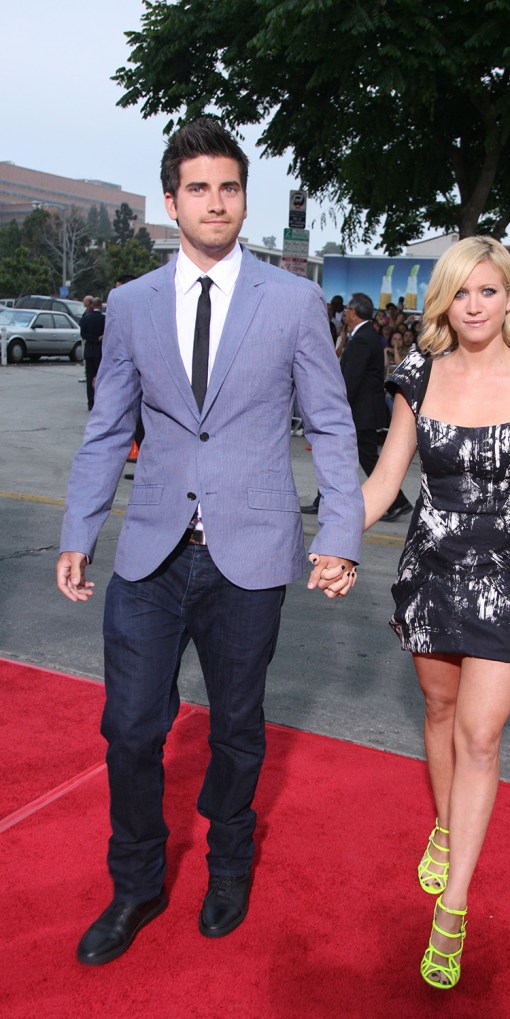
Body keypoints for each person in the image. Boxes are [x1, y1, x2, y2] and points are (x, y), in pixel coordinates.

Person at [56, 118, 363, 967]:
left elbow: (332, 426)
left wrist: (339, 531)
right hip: (151, 549)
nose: (215, 202)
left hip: (252, 553)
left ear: (243, 198)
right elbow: (107, 425)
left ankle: (229, 863)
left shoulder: (294, 302)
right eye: (199, 187)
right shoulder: (129, 304)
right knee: (129, 728)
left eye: (229, 187)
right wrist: (78, 527)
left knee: (236, 727)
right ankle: (138, 882)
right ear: (172, 201)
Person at [361, 236, 510, 990]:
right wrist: (330, 539)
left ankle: (451, 910)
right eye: (460, 292)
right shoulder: (416, 376)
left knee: (481, 736)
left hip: (506, 576)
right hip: (432, 565)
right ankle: (445, 827)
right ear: (445, 302)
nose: (474, 304)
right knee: (440, 708)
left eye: (488, 290)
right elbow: (388, 477)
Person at [302, 293, 412, 522]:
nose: (346, 314)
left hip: (360, 412)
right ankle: (324, 500)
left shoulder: (363, 338)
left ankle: (397, 502)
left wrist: (336, 407)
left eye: (348, 310)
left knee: (362, 457)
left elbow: (351, 378)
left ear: (353, 312)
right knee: (345, 456)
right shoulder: (363, 335)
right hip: (361, 411)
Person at [80, 297, 106, 410]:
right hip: (100, 351)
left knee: (90, 377)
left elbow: (83, 334)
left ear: (92, 305)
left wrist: (92, 339)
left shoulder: (85, 318)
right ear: (100, 306)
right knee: (101, 377)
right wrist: (99, 339)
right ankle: (100, 401)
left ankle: (90, 402)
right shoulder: (104, 319)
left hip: (89, 351)